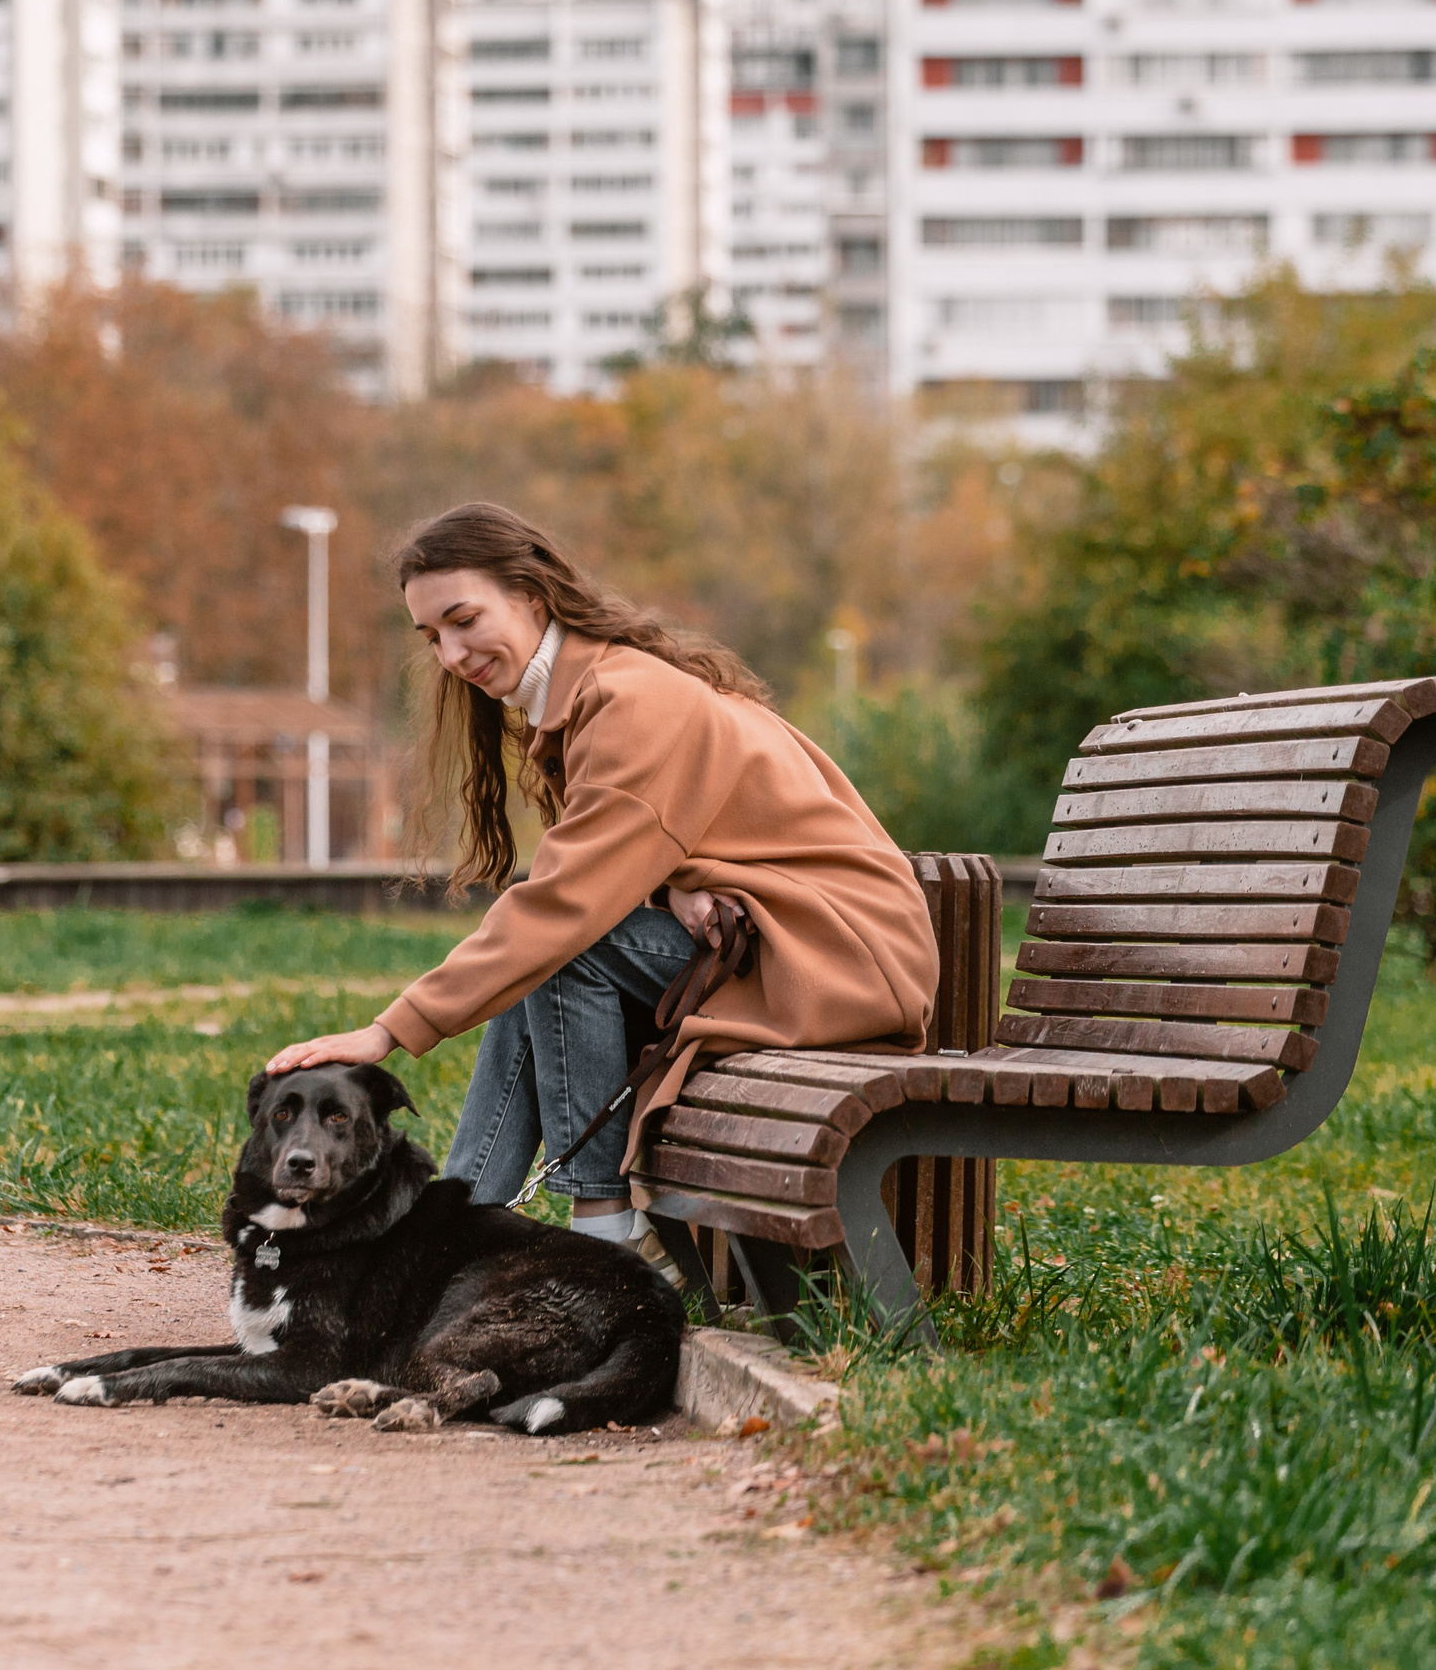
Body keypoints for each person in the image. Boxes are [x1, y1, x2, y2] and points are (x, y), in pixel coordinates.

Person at [266, 503, 939, 1267]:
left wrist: (390, 1030)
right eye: (432, 637)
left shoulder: (629, 702)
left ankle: (604, 1234)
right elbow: (645, 854)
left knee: (563, 945)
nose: (451, 654)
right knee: (542, 955)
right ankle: (448, 1236)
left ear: (531, 596)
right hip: (790, 946)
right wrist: (671, 890)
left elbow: (569, 902)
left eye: (464, 620)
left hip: (835, 963)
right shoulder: (593, 695)